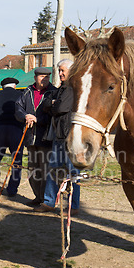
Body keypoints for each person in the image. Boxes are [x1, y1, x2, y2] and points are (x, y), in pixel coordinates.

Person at [39, 59, 81, 215]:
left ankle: (73, 206)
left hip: (70, 136)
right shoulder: (60, 89)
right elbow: (46, 104)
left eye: (63, 70)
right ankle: (49, 202)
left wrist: (53, 104)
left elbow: (61, 107)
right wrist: (53, 103)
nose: (61, 73)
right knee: (54, 169)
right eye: (59, 70)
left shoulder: (72, 88)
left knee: (73, 172)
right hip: (58, 135)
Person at [15, 67, 56, 207]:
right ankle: (38, 197)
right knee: (33, 169)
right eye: (41, 76)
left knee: (45, 169)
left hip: (46, 137)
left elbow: (54, 114)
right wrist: (25, 116)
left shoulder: (54, 92)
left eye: (47, 77)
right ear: (35, 77)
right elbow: (18, 108)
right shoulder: (27, 91)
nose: (44, 79)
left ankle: (46, 199)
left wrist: (39, 119)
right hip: (30, 136)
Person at [0, 77, 24, 197]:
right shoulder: (21, 95)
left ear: (3, 87)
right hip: (16, 129)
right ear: (14, 86)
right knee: (16, 161)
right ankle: (12, 189)